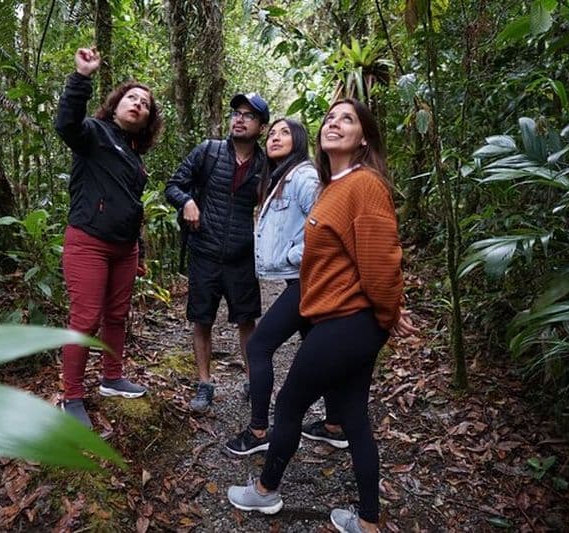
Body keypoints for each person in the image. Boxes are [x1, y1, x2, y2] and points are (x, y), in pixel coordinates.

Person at [227, 99, 418, 533]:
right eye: (330, 118)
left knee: (289, 403)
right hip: (347, 319)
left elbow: (381, 262)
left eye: (347, 119)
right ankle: (368, 520)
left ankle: (265, 491)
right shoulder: (334, 185)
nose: (335, 123)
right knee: (354, 416)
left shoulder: (364, 184)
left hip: (349, 321)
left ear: (364, 137)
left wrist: (388, 311)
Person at [54, 46, 163, 427]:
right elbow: (66, 124)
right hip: (89, 242)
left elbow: (132, 207)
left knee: (117, 315)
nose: (138, 104)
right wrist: (81, 78)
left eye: (145, 104)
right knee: (85, 319)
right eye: (132, 98)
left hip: (124, 249)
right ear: (115, 105)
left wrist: (139, 252)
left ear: (147, 120)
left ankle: (112, 378)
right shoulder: (94, 134)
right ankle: (71, 396)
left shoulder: (135, 158)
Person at [224, 118, 346, 455]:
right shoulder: (281, 177)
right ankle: (335, 425)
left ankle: (258, 431)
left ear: (300, 140)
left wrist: (293, 255)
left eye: (285, 133)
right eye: (273, 133)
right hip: (303, 279)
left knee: (259, 346)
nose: (275, 137)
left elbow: (326, 228)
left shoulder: (303, 177)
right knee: (317, 347)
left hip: (308, 279)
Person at [165, 93, 269, 413]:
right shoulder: (208, 152)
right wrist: (187, 201)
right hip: (204, 252)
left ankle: (253, 381)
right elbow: (173, 185)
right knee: (202, 319)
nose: (239, 119)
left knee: (246, 320)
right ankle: (205, 383)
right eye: (236, 113)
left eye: (248, 115)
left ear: (262, 127)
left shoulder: (266, 165)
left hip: (242, 256)